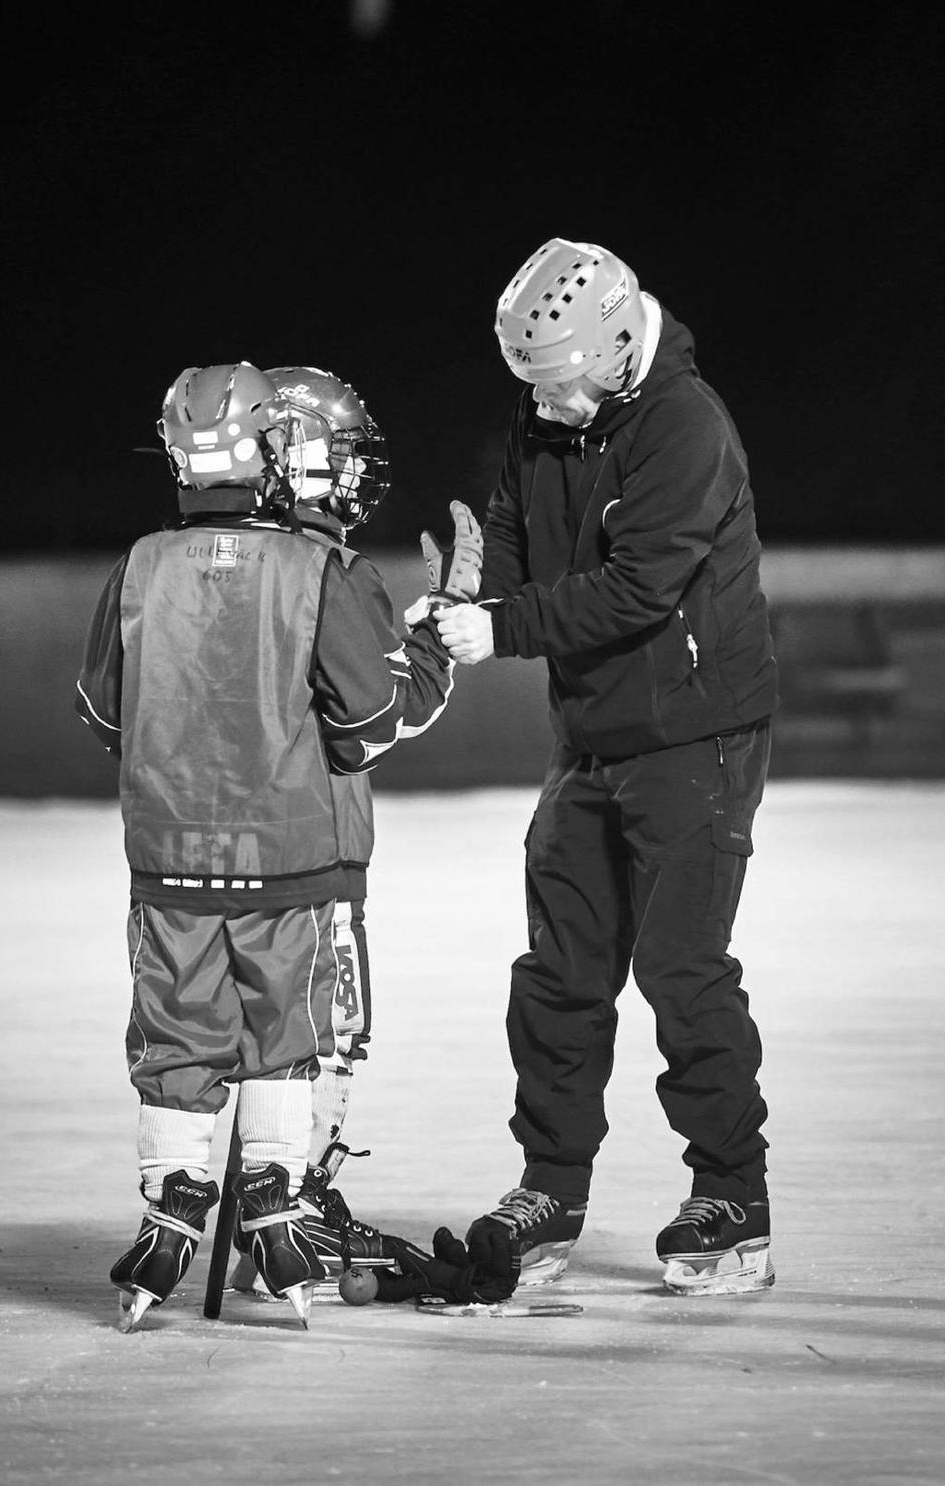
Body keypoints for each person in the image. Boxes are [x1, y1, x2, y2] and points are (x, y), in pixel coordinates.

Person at [75, 361, 479, 1329]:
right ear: (270, 452)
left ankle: (168, 1211)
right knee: (286, 1035)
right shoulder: (318, 571)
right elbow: (370, 720)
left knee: (177, 1034)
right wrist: (427, 634)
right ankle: (275, 1205)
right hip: (289, 862)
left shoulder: (137, 563)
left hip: (166, 863)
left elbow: (101, 711)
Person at [436, 238, 779, 1297]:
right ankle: (550, 1184)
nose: (552, 400)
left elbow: (637, 590)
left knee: (681, 969)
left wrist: (501, 628)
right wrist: (465, 596)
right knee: (559, 975)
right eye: (535, 384)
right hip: (589, 736)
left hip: (694, 737)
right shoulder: (548, 418)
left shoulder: (686, 427)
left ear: (619, 338)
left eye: (566, 378)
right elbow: (507, 531)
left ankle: (730, 1194)